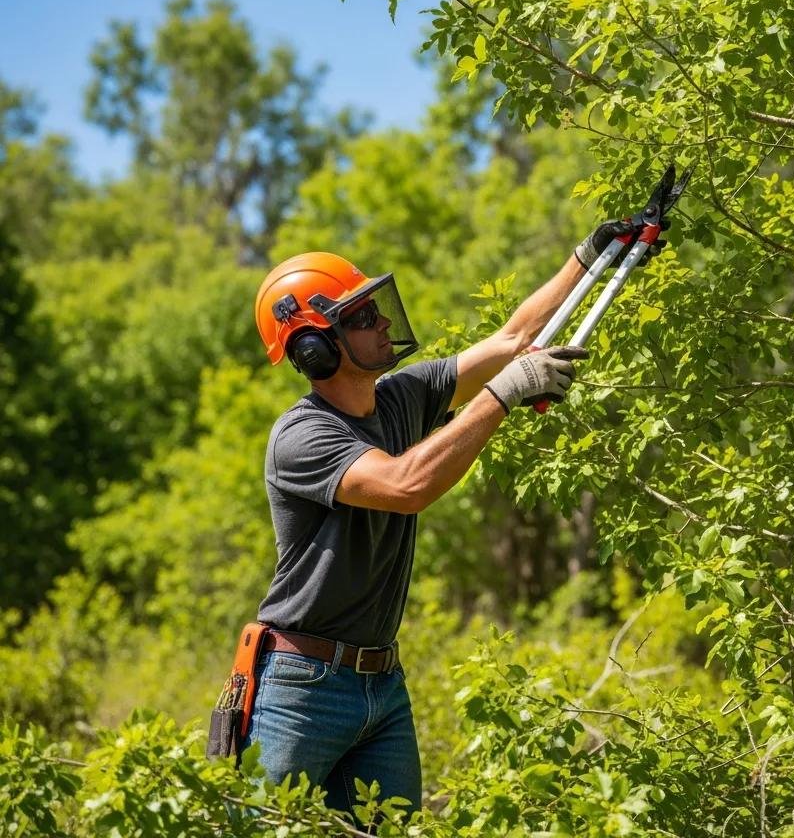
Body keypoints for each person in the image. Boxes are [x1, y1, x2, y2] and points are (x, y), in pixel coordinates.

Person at [245, 218, 658, 820]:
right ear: (315, 348)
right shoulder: (302, 436)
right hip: (302, 686)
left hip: (381, 682)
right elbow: (406, 484)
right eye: (362, 317)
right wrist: (501, 395)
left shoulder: (401, 397)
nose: (383, 321)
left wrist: (592, 256)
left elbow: (515, 340)